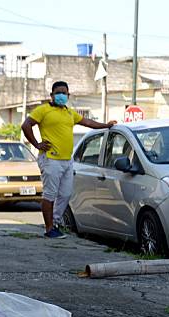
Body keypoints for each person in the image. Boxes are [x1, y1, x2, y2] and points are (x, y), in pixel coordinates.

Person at [21, 81, 116, 239]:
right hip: (50, 159)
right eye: (58, 93)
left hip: (67, 160)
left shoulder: (70, 113)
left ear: (68, 95)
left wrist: (106, 125)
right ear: (51, 95)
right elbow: (26, 125)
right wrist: (36, 144)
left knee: (65, 194)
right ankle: (49, 228)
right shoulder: (43, 110)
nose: (61, 95)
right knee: (50, 194)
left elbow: (88, 122)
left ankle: (56, 223)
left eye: (64, 93)